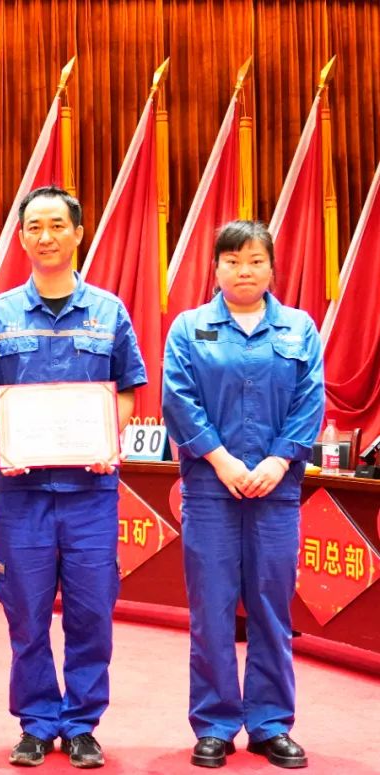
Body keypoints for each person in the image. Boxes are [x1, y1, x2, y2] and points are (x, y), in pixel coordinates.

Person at [0, 185, 147, 769]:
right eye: (34, 227)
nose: (45, 237)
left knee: (92, 612)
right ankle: (38, 722)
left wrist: (108, 438)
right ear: (22, 237)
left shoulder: (109, 311)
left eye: (56, 225)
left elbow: (127, 390)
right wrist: (5, 437)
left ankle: (83, 723)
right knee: (26, 611)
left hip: (91, 492)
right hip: (22, 493)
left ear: (78, 233)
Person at [162, 221, 324, 770]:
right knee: (210, 610)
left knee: (271, 609)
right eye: (232, 261)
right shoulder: (189, 328)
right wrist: (222, 459)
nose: (244, 271)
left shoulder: (299, 328)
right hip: (211, 490)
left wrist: (278, 460)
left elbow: (310, 399)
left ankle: (271, 724)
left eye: (255, 261)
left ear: (272, 268)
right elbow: (178, 399)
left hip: (276, 492)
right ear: (216, 268)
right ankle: (214, 724)